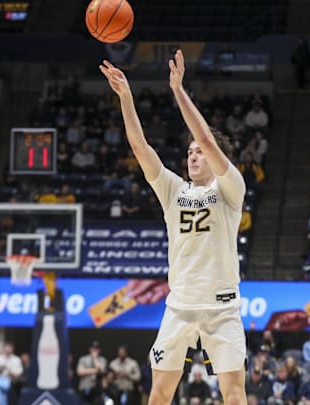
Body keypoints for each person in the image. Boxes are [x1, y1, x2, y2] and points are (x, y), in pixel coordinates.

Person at [101, 50, 248, 405]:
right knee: (159, 395)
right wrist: (126, 98)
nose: (193, 155)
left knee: (234, 394)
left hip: (222, 307)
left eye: (199, 152)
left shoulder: (230, 188)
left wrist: (178, 91)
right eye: (190, 152)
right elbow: (140, 147)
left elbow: (210, 141)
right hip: (179, 306)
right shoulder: (173, 190)